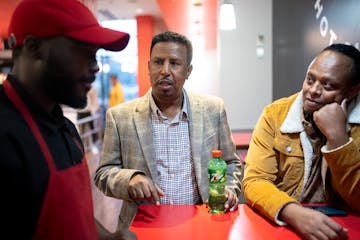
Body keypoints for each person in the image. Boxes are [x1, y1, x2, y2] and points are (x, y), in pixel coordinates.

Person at [0, 0, 136, 239]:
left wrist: (107, 237)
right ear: (33, 47)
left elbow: (73, 211)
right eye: (84, 52)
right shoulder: (6, 136)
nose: (95, 67)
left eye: (96, 55)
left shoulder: (66, 130)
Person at [94, 31, 242, 229]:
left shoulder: (213, 110)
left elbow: (231, 162)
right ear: (148, 67)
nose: (165, 70)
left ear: (188, 71)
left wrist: (229, 190)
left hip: (202, 223)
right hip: (144, 226)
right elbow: (103, 174)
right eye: (158, 62)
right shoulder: (120, 116)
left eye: (174, 63)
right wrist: (130, 179)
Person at [242, 43, 360, 240]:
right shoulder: (275, 114)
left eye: (327, 85)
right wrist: (294, 213)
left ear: (353, 91)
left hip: (344, 230)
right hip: (285, 225)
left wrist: (339, 139)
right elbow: (255, 181)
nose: (313, 90)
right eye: (309, 79)